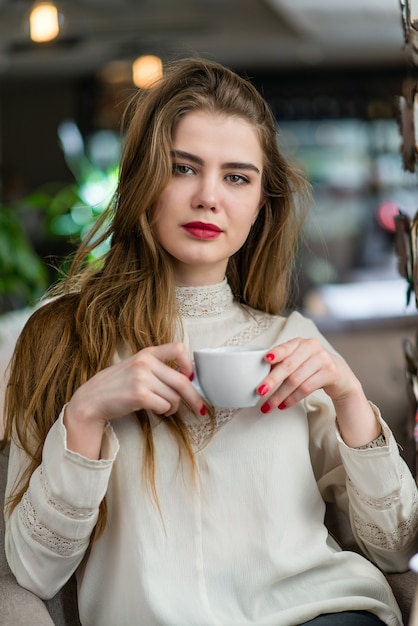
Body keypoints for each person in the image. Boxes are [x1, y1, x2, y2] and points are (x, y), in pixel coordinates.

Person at [2, 58, 418, 626]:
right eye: (183, 168)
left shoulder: (292, 342)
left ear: (259, 207)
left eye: (237, 177)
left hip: (326, 613)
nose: (208, 197)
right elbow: (31, 573)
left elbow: (395, 548)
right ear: (143, 181)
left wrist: (350, 400)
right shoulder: (61, 339)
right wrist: (86, 415)